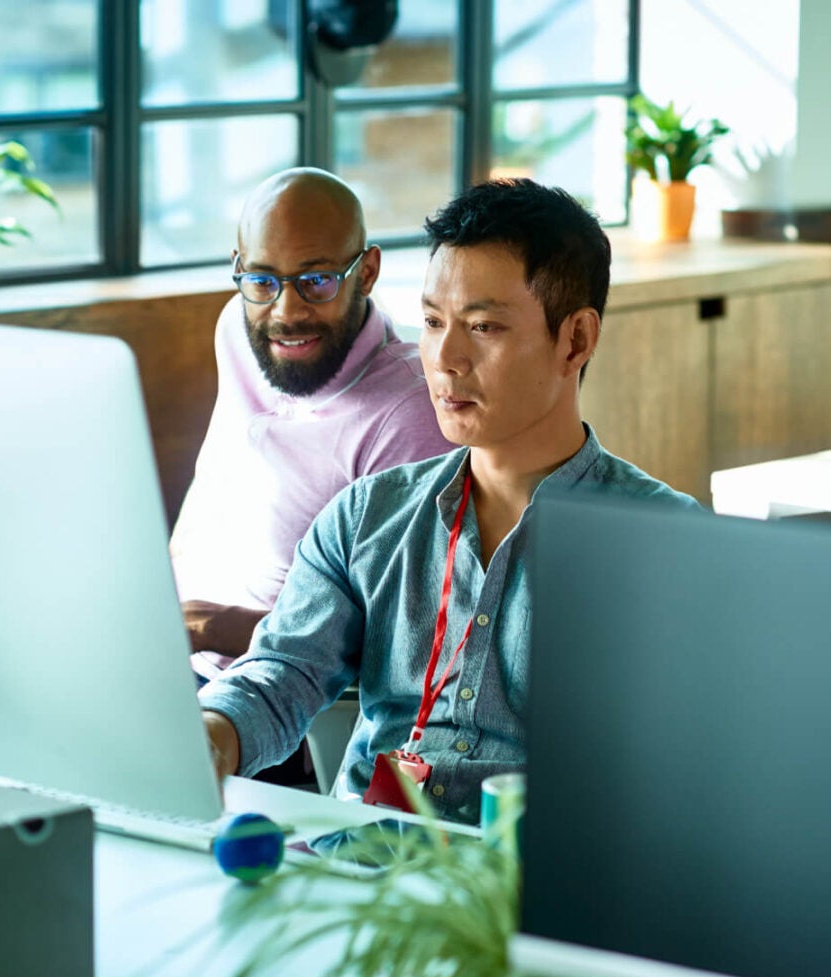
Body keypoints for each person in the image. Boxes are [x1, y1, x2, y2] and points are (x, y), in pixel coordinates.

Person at [198, 177, 700, 825]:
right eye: (433, 322)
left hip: (535, 892)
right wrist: (212, 732)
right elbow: (284, 671)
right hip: (364, 869)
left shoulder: (667, 543)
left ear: (574, 341)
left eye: (483, 326)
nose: (445, 358)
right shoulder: (364, 518)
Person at [169, 168, 453, 677]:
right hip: (170, 656)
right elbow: (215, 489)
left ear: (366, 272)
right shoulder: (237, 328)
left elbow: (402, 638)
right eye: (261, 280)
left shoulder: (409, 413)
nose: (285, 311)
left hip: (277, 699)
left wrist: (209, 628)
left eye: (316, 281)